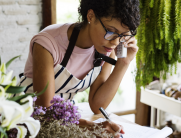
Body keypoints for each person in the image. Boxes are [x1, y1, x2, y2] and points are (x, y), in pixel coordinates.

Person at [18, 0, 140, 137]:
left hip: (63, 124)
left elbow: (97, 105)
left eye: (123, 35)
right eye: (111, 31)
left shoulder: (106, 48)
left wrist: (123, 63)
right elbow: (45, 110)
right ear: (91, 16)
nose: (115, 42)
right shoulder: (48, 43)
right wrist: (92, 127)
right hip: (26, 120)